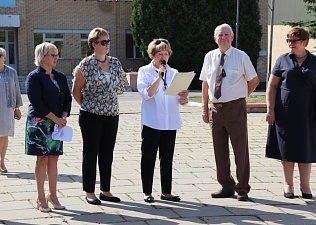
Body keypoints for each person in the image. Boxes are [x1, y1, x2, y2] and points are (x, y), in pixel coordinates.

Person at [200, 23, 260, 201]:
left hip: (235, 109)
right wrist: (205, 107)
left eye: (226, 35)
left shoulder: (241, 56)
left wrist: (242, 96)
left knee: (240, 149)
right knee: (219, 151)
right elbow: (205, 83)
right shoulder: (210, 56)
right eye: (220, 35)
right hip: (215, 109)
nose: (223, 38)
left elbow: (254, 80)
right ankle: (226, 186)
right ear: (215, 39)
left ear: (232, 37)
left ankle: (242, 188)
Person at [72, 27, 127, 205]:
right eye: (103, 42)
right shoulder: (86, 64)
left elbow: (121, 85)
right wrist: (89, 107)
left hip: (112, 114)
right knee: (91, 153)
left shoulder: (115, 62)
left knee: (107, 153)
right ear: (94, 45)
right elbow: (76, 91)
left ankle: (106, 190)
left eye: (108, 41)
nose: (107, 45)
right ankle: (89, 191)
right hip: (91, 115)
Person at [266, 26, 315, 199]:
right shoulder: (282, 60)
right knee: (286, 148)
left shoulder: (314, 61)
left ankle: (305, 185)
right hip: (284, 112)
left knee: (306, 149)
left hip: (308, 114)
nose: (290, 44)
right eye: (288, 40)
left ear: (304, 42)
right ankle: (288, 184)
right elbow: (272, 85)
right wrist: (270, 109)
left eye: (294, 40)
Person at [137, 38, 189, 203]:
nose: (163, 56)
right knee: (149, 157)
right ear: (153, 55)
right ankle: (147, 192)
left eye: (166, 53)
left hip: (170, 122)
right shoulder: (144, 71)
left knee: (167, 158)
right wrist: (158, 77)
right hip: (152, 121)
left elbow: (181, 101)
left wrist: (183, 97)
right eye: (160, 54)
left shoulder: (174, 73)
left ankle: (166, 192)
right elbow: (146, 94)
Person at [25, 42, 72, 212]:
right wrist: (55, 118)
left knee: (54, 158)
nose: (56, 58)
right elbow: (37, 102)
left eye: (56, 54)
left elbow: (68, 97)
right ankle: (40, 197)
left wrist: (64, 116)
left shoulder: (59, 76)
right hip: (40, 123)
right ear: (42, 57)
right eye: (52, 55)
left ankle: (53, 196)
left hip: (58, 123)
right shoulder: (34, 77)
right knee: (42, 159)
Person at [0, 47, 22, 173]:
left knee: (4, 136)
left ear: (4, 57)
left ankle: (2, 162)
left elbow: (17, 90)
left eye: (1, 55)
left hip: (7, 107)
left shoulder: (12, 72)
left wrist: (17, 108)